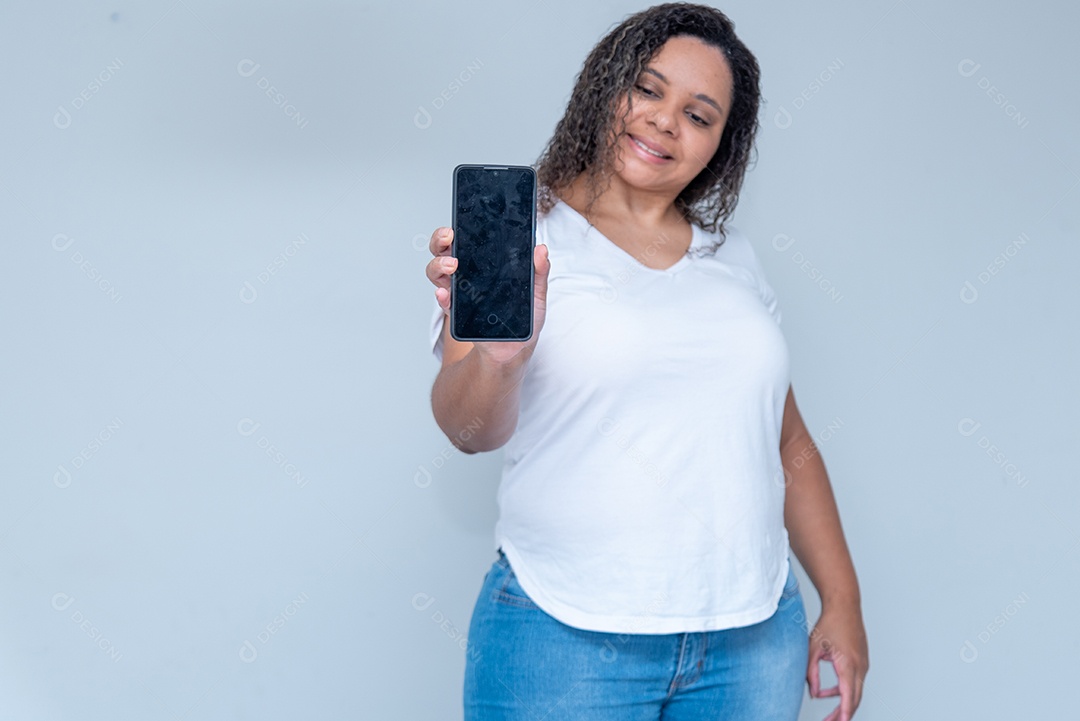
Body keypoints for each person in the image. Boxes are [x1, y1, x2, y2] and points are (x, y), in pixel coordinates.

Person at [423, 3, 868, 719]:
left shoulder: (735, 261)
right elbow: (468, 428)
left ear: (721, 145)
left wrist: (842, 601)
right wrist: (504, 358)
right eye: (649, 88)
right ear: (605, 88)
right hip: (560, 638)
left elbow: (788, 444)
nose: (665, 120)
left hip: (753, 640)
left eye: (699, 114)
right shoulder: (520, 240)